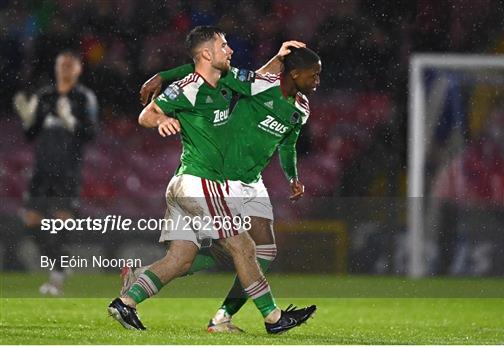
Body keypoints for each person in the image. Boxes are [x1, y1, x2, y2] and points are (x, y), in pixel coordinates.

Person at [108, 26, 315, 334]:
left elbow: (260, 79)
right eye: (223, 45)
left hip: (185, 185)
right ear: (207, 54)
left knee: (180, 260)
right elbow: (146, 115)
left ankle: (126, 301)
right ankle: (273, 318)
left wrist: (279, 56)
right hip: (198, 182)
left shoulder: (224, 83)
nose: (229, 50)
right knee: (243, 245)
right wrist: (163, 118)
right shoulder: (189, 87)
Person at [12, 51, 98, 295]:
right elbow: (30, 135)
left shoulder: (84, 98)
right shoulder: (46, 95)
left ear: (79, 69)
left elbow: (91, 134)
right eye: (61, 65)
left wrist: (71, 121)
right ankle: (60, 262)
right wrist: (28, 120)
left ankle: (57, 276)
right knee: (31, 221)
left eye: (70, 65)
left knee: (62, 221)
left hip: (68, 170)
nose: (65, 69)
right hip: (41, 170)